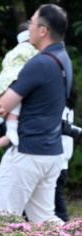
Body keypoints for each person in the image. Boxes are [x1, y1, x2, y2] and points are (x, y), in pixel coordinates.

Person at [0, 4, 72, 224]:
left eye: (32, 22)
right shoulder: (63, 59)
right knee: (45, 220)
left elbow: (1, 106)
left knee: (2, 221)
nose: (28, 27)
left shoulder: (38, 63)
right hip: (52, 153)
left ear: (43, 31)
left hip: (27, 154)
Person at [0, 21, 39, 147]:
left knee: (14, 106)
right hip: (16, 79)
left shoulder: (13, 52)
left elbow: (5, 64)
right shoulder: (32, 50)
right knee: (18, 102)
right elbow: (39, 62)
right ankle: (11, 129)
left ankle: (11, 127)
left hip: (3, 82)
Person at [55, 82, 77, 222]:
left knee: (57, 205)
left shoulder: (58, 108)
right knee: (56, 199)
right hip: (63, 160)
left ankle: (66, 230)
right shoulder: (69, 108)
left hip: (57, 158)